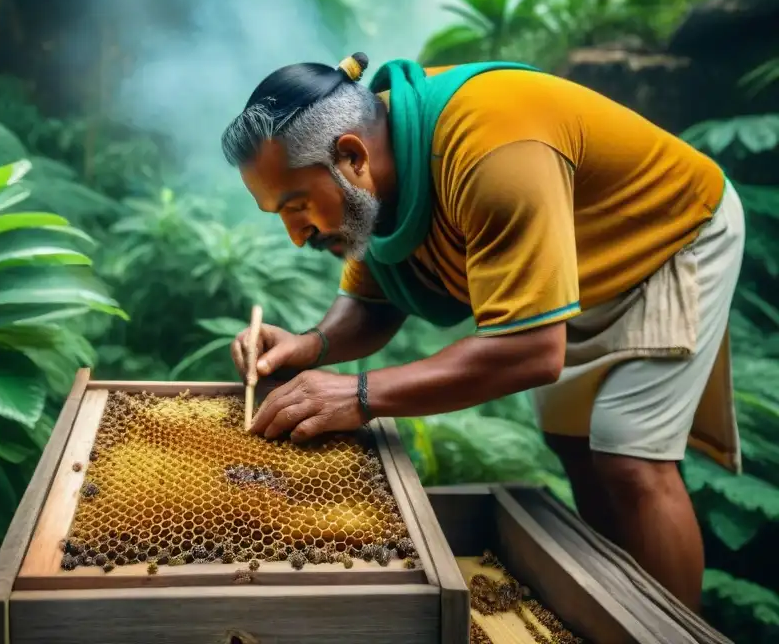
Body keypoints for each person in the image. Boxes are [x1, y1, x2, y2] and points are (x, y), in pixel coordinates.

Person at [218, 52, 745, 612]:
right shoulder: (378, 163)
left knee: (630, 459)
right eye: (278, 213)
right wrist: (312, 345)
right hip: (565, 275)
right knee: (573, 444)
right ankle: (618, 613)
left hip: (663, 239)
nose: (296, 236)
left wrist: (359, 394)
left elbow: (530, 350)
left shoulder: (495, 150)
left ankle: (669, 629)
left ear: (351, 157)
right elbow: (371, 301)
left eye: (296, 206)